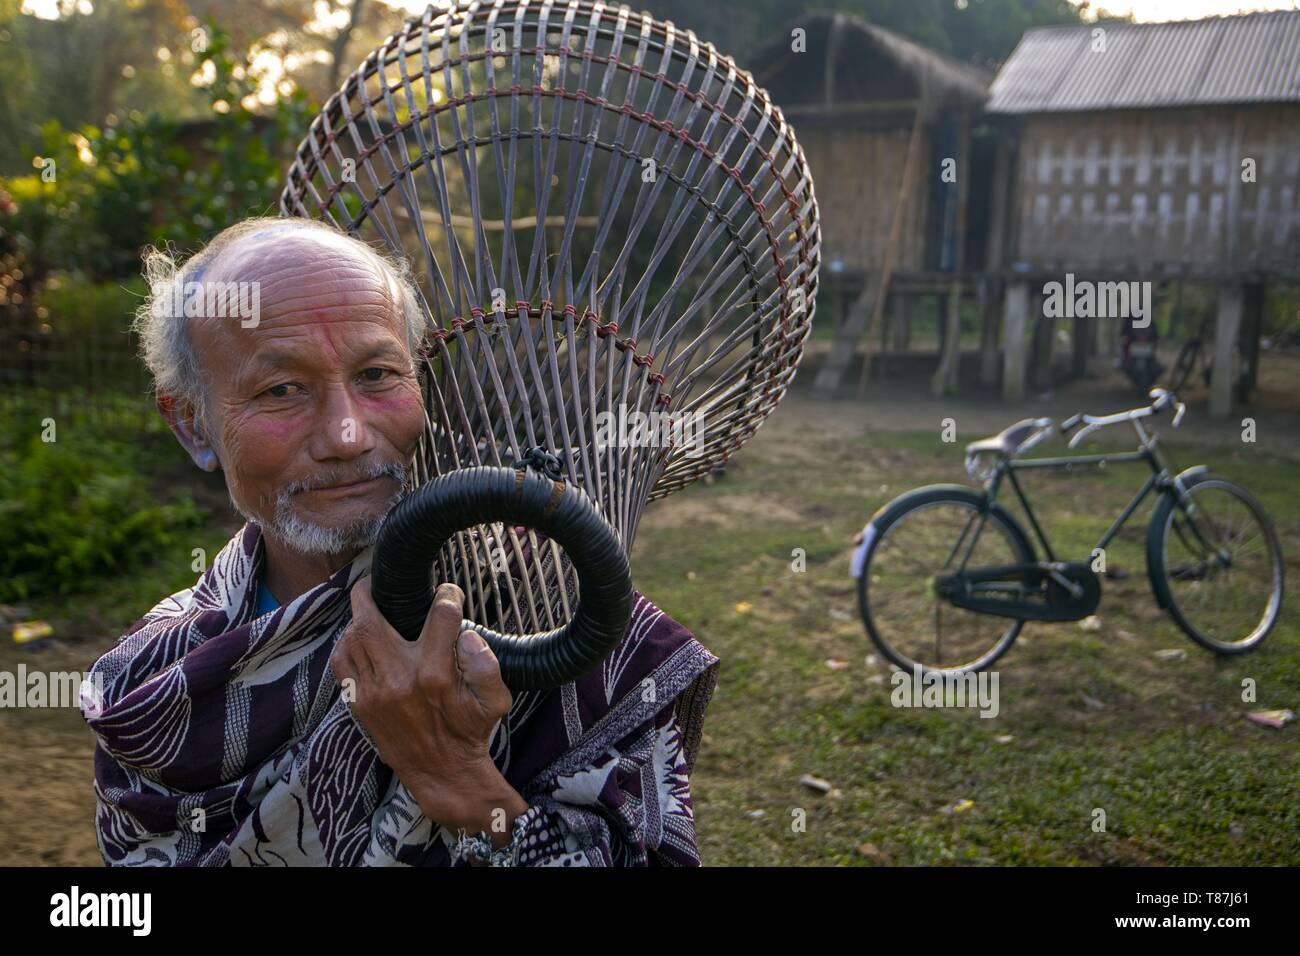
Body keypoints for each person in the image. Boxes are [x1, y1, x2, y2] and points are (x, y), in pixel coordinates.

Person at [83, 217, 719, 866]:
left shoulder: (560, 618)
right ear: (192, 423)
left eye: (378, 374)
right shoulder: (149, 681)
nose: (347, 436)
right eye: (282, 389)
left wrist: (457, 777)